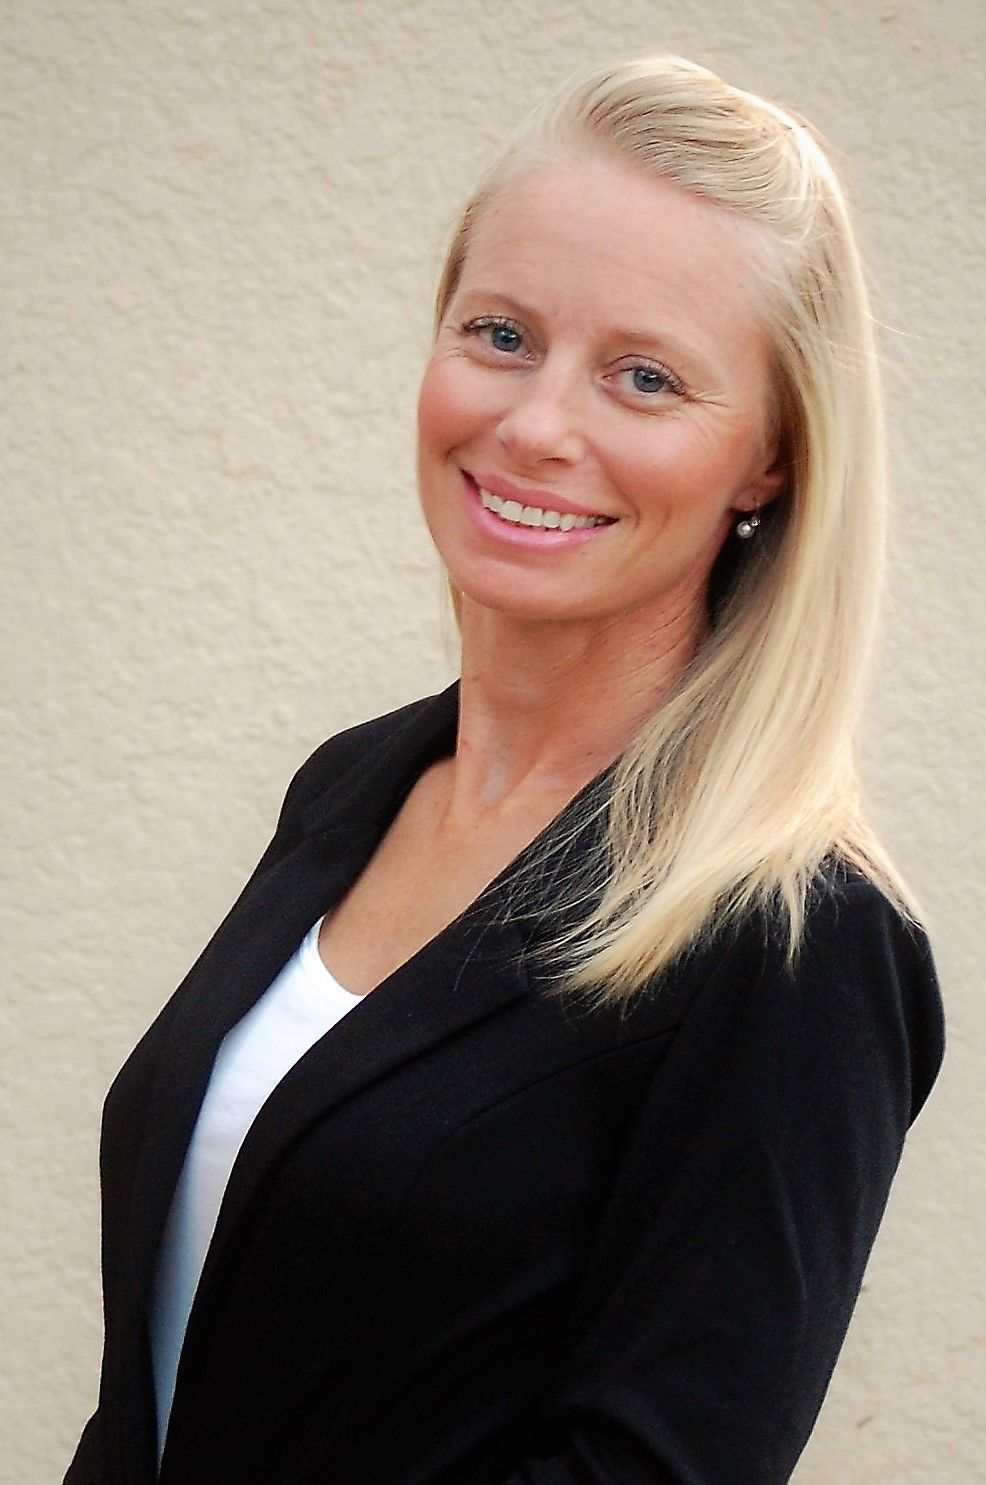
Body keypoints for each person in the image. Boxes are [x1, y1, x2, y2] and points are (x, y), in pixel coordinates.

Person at [64, 53, 944, 1485]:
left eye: (645, 376)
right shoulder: (353, 787)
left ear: (769, 461)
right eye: (501, 334)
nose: (538, 424)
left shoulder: (793, 943)